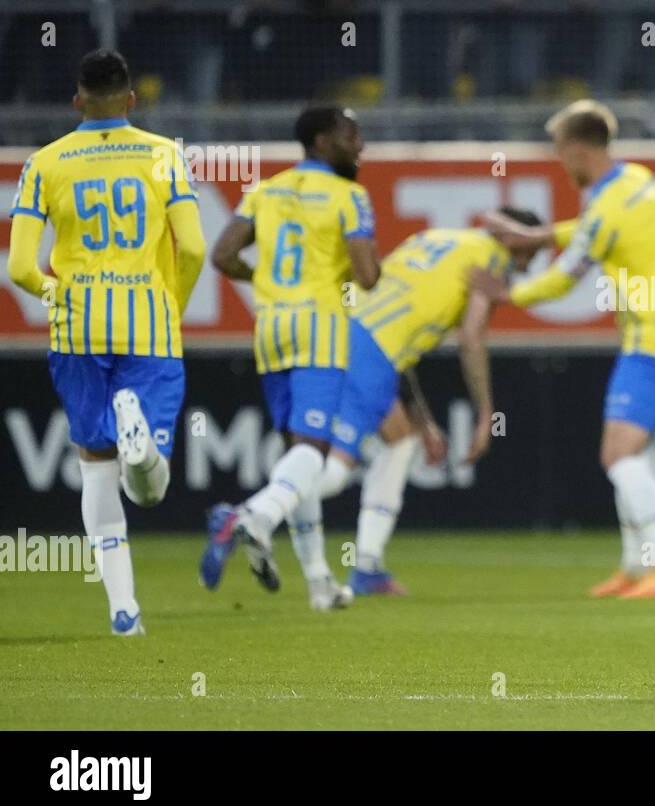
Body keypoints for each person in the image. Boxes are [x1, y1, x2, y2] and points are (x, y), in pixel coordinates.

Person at [5, 48, 206, 635]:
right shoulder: (164, 154)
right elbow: (192, 248)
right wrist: (171, 303)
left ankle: (124, 611)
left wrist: (54, 296)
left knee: (94, 463)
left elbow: (18, 268)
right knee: (148, 488)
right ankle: (138, 442)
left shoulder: (44, 162)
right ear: (132, 99)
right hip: (149, 322)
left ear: (76, 101)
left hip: (77, 327)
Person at [472, 100, 655, 599]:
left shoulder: (606, 206)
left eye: (560, 153)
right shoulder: (635, 180)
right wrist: (539, 233)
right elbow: (597, 230)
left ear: (577, 149)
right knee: (624, 454)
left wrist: (506, 294)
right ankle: (637, 567)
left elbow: (564, 277)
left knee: (619, 457)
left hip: (653, 338)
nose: (561, 163)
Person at [200, 106, 380, 611]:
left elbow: (222, 255)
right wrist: (367, 263)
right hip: (320, 324)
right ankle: (250, 516)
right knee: (314, 452)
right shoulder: (350, 196)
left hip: (272, 326)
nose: (360, 145)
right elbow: (366, 277)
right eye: (351, 135)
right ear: (321, 141)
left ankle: (321, 582)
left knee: (297, 460)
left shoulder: (265, 191)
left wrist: (261, 279)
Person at [313, 213, 545, 595]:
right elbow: (471, 338)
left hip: (341, 330)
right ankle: (252, 512)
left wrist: (422, 421)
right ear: (515, 242)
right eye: (528, 256)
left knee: (401, 441)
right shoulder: (491, 261)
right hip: (365, 350)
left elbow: (396, 335)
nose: (523, 269)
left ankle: (367, 564)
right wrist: (487, 414)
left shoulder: (436, 238)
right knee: (333, 473)